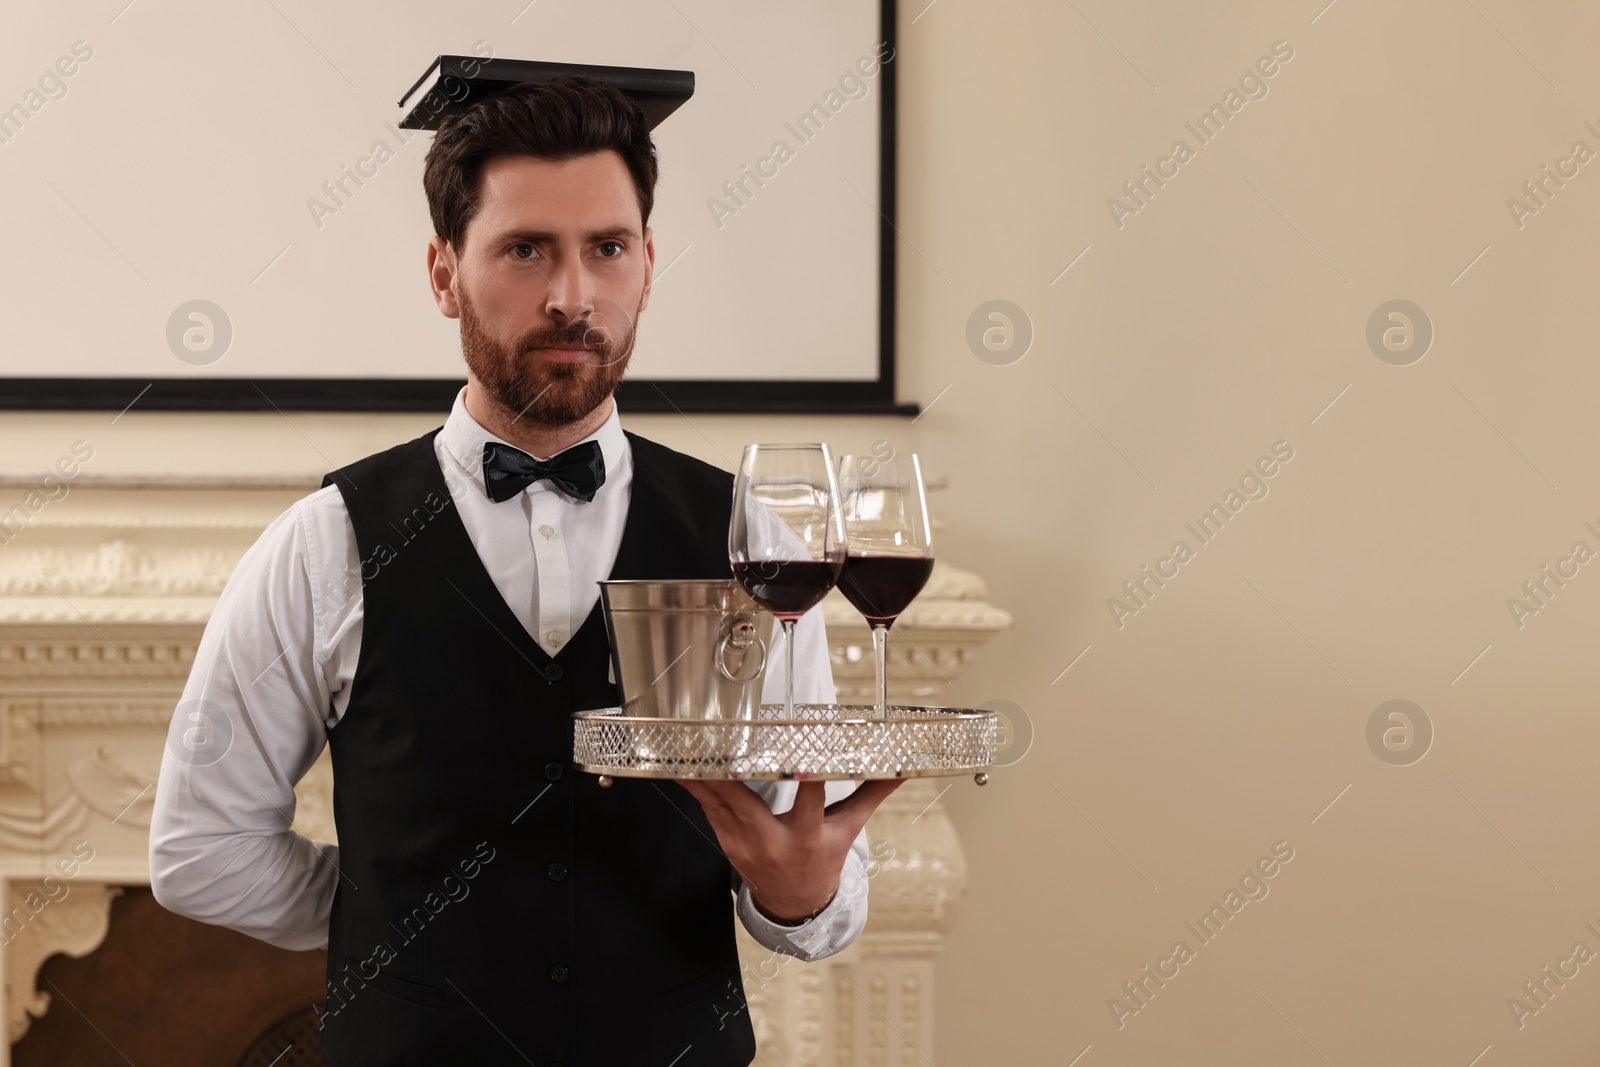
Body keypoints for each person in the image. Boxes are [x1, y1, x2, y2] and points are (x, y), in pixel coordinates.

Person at [148, 75, 902, 1067]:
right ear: (443, 273)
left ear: (646, 264)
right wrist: (394, 915)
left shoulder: (747, 540)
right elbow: (200, 848)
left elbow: (819, 876)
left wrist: (797, 894)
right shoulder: (323, 541)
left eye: (607, 248)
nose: (571, 295)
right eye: (524, 248)